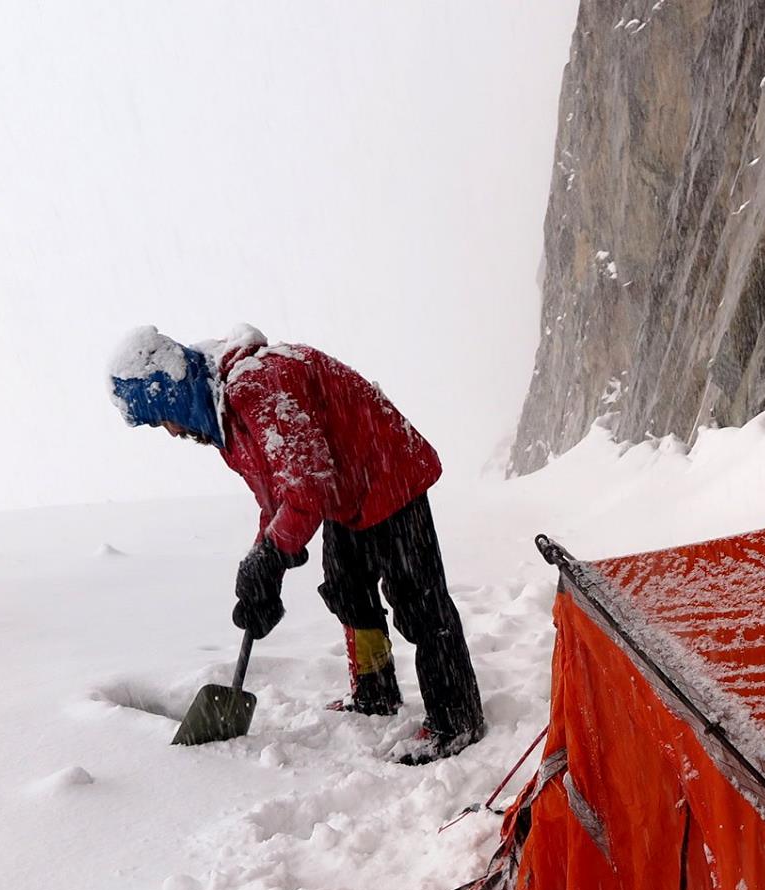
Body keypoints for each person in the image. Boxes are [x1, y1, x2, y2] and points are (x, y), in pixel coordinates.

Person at [108, 325, 485, 765]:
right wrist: (260, 565)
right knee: (347, 588)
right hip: (344, 487)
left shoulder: (256, 386)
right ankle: (375, 691)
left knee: (420, 604)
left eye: (160, 418)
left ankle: (457, 719)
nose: (171, 432)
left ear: (170, 395)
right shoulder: (227, 412)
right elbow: (278, 496)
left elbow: (307, 489)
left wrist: (273, 557)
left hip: (387, 472)